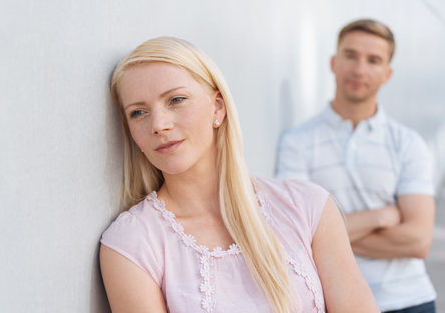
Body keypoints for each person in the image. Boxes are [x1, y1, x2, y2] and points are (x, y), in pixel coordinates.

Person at [100, 36, 377, 313]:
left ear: (217, 108)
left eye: (176, 100)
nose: (158, 125)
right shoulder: (131, 242)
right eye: (138, 112)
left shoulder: (307, 206)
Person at [275, 19, 436, 313]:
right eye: (351, 55)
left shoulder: (409, 144)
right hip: (336, 300)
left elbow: (418, 240)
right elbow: (293, 233)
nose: (360, 69)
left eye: (373, 60)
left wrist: (324, 235)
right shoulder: (297, 142)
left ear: (387, 73)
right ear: (334, 62)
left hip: (409, 300)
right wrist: (381, 216)